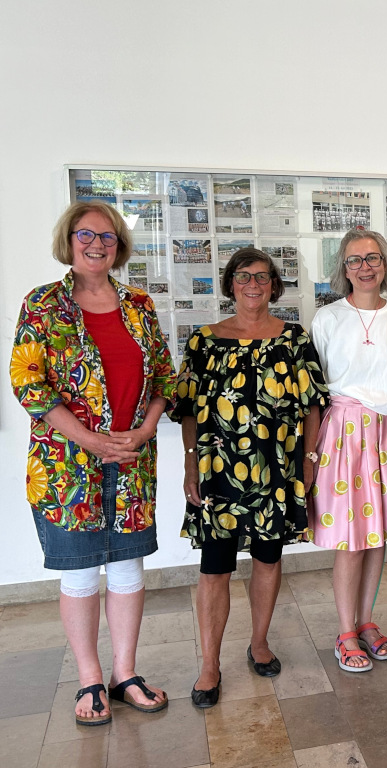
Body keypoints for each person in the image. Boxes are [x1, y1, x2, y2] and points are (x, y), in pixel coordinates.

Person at [10, 201, 174, 725]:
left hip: (131, 460)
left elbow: (164, 378)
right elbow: (28, 384)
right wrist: (90, 440)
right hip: (65, 465)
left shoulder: (139, 305)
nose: (97, 244)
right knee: (80, 571)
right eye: (86, 235)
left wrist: (145, 430)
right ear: (69, 240)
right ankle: (89, 679)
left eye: (107, 236)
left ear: (119, 245)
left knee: (127, 566)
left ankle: (125, 675)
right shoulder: (42, 305)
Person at [171, 248, 327, 707]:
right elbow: (188, 409)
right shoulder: (204, 342)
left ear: (274, 285)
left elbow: (313, 405)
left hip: (277, 469)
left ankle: (259, 642)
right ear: (230, 284)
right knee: (214, 567)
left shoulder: (294, 339)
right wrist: (190, 464)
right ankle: (209, 665)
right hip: (219, 472)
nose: (253, 284)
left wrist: (309, 460)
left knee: (268, 559)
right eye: (243, 276)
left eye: (262, 277)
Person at [308, 229, 387, 673]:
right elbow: (314, 388)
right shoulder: (327, 318)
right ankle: (345, 631)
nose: (365, 267)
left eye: (373, 258)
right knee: (350, 541)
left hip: (386, 433)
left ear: (384, 264)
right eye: (355, 260)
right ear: (343, 268)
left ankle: (366, 620)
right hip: (342, 435)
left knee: (377, 537)